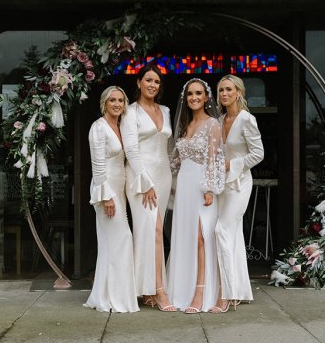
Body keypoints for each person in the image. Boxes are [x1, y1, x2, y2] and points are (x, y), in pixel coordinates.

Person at [120, 64, 176, 312]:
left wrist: (174, 180)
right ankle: (158, 291)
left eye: (157, 82)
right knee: (149, 231)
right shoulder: (130, 112)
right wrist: (145, 182)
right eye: (149, 80)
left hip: (163, 175)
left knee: (154, 231)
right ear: (139, 82)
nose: (153, 85)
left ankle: (147, 288)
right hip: (140, 176)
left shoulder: (165, 109)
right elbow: (131, 150)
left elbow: (170, 147)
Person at [167, 78, 225, 313]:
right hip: (184, 185)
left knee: (202, 236)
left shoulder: (213, 124)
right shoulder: (185, 125)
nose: (194, 98)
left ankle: (200, 292)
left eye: (198, 93)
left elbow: (215, 158)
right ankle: (181, 288)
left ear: (206, 97)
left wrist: (210, 189)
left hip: (202, 186)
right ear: (185, 98)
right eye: (190, 94)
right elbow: (176, 161)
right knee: (187, 236)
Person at [210, 74, 264, 313]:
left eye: (229, 90)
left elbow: (258, 154)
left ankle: (227, 294)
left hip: (240, 184)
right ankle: (239, 291)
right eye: (221, 90)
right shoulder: (219, 119)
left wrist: (232, 164)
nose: (224, 94)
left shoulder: (246, 119)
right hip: (222, 186)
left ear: (239, 92)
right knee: (232, 235)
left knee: (222, 230)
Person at [84, 86, 139, 313]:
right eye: (112, 100)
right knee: (122, 237)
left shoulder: (119, 126)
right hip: (105, 189)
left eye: (121, 100)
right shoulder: (98, 128)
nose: (117, 104)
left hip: (119, 187)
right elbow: (97, 166)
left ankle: (106, 296)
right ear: (104, 103)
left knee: (111, 243)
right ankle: (116, 297)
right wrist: (106, 196)